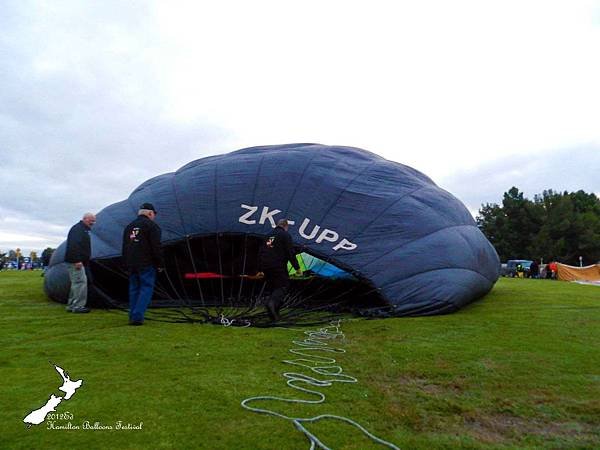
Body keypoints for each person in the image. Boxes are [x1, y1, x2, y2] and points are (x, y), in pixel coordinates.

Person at [122, 203, 164, 326]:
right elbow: (156, 247)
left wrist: (125, 262)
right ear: (150, 213)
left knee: (134, 288)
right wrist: (160, 263)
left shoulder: (129, 227)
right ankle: (137, 316)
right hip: (146, 263)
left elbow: (125, 247)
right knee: (146, 288)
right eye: (153, 214)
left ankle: (132, 314)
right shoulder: (152, 226)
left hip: (131, 263)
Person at [257, 219, 302, 321]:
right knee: (282, 286)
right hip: (278, 266)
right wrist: (297, 268)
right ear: (286, 226)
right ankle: (271, 304)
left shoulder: (269, 236)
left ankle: (275, 314)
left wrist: (260, 269)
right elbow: (290, 252)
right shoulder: (285, 235)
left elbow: (262, 252)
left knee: (274, 288)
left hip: (266, 266)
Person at [64, 213, 96, 313]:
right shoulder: (78, 230)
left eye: (94, 221)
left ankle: (71, 305)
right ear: (85, 219)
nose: (93, 223)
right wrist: (77, 260)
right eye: (91, 220)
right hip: (76, 262)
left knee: (76, 283)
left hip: (78, 261)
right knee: (80, 283)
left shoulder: (82, 230)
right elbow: (74, 245)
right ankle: (78, 306)